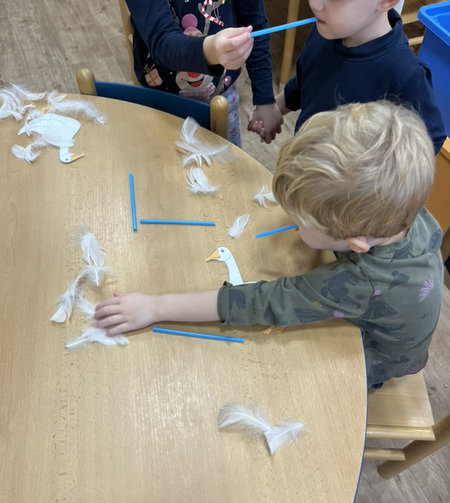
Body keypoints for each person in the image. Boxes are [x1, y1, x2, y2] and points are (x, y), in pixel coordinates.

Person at [94, 101, 443, 389]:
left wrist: (155, 307)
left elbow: (263, 301)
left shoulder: (358, 283)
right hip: (397, 321)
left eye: (300, 221)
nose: (292, 221)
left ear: (356, 242)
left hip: (378, 359)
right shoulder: (406, 212)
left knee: (284, 377)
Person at [249, 0, 446, 152]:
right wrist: (275, 108)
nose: (315, 5)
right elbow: (306, 84)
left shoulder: (405, 74)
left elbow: (430, 141)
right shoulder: (324, 32)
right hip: (308, 165)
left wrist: (378, 174)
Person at [125, 0, 282, 147]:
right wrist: (211, 51)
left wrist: (265, 100)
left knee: (226, 164)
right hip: (159, 102)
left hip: (222, 99)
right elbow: (162, 41)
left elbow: (255, 24)